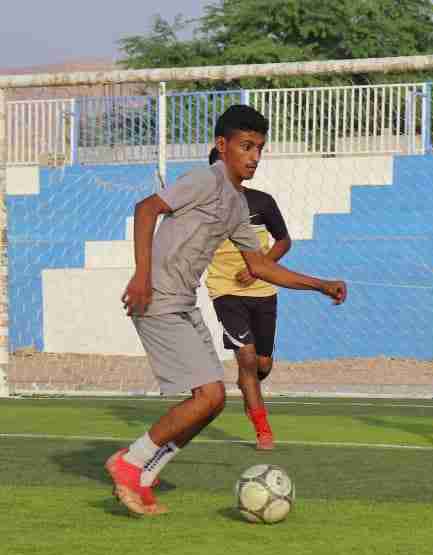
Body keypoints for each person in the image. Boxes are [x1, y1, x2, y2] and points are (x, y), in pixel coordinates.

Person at [106, 105, 347, 516]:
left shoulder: (237, 205)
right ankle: (130, 463)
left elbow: (261, 267)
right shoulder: (205, 180)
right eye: (246, 146)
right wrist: (141, 275)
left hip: (183, 301)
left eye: (259, 148)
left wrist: (319, 284)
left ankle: (145, 475)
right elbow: (146, 209)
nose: (254, 157)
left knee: (213, 402)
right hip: (157, 297)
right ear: (222, 145)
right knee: (209, 395)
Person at [206, 146, 291, 451]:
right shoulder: (203, 206)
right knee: (246, 358)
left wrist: (259, 268)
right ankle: (262, 430)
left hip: (263, 290)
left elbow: (284, 241)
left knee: (263, 364)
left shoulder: (262, 201)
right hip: (225, 291)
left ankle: (248, 383)